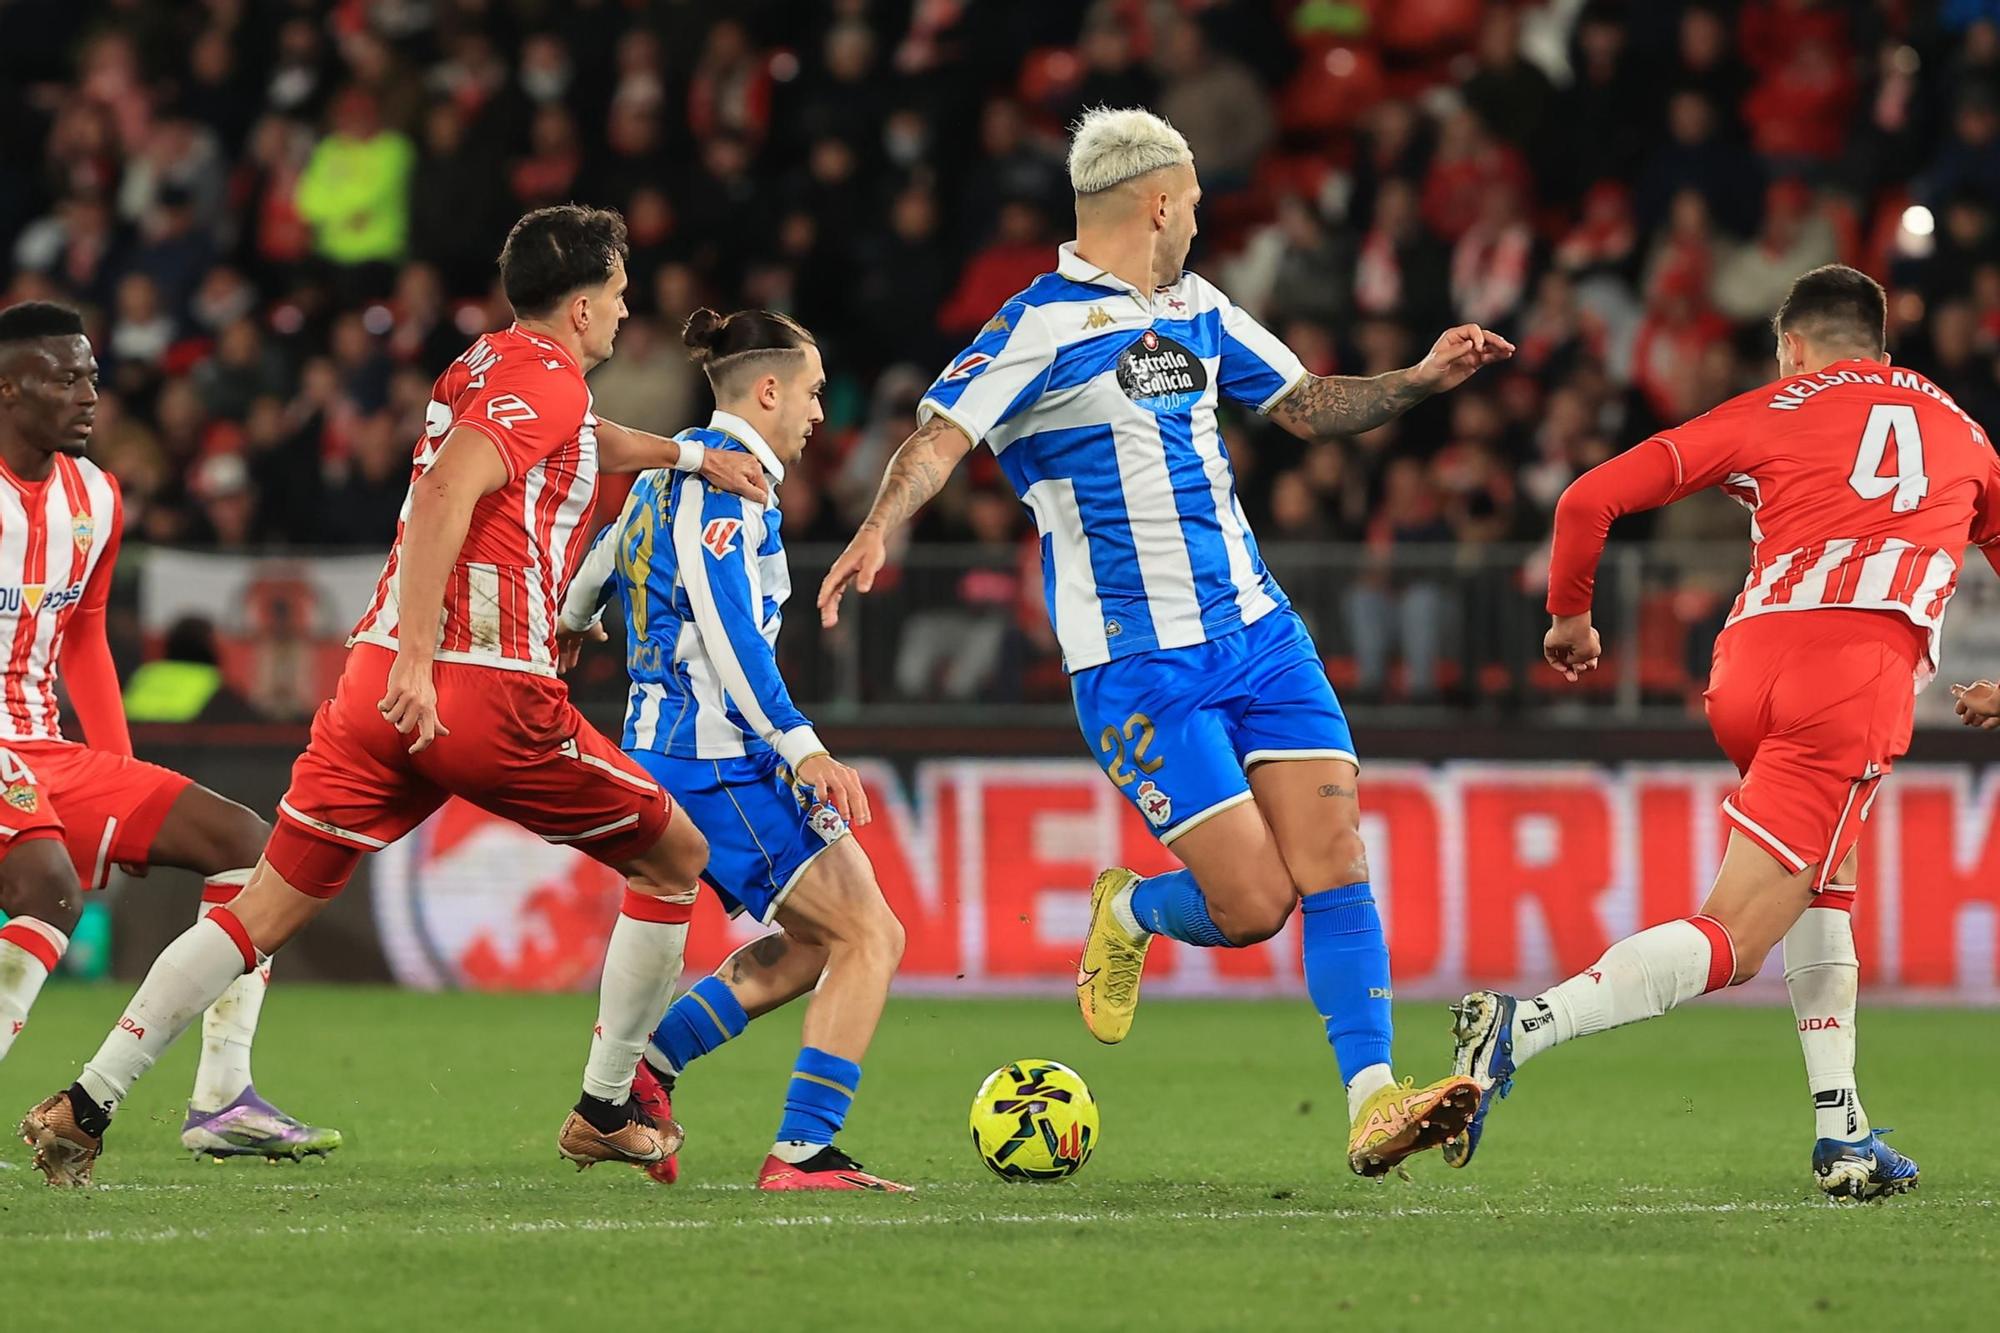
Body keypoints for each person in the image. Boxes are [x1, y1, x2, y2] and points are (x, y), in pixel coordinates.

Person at [817, 107, 1513, 1179]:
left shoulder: (1197, 308)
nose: (1196, 221)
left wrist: (1418, 381)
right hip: (1138, 665)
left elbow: (1303, 404)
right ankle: (1131, 905)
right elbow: (939, 433)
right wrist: (875, 527)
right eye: (1190, 204)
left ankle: (1373, 1099)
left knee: (1334, 862)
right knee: (1252, 906)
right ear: (1154, 202)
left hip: (1259, 633)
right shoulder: (1036, 325)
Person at [18, 206, 767, 1188]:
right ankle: (604, 1104)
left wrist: (687, 454)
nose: (627, 313)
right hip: (478, 686)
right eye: (621, 295)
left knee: (262, 909)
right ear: (582, 305)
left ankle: (86, 1100)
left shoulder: (487, 365)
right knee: (675, 860)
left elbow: (582, 441)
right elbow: (453, 490)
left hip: (370, 690)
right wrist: (426, 657)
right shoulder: (543, 382)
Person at [1449, 264, 2000, 1201]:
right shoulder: (1968, 435)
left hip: (1746, 667)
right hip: (1855, 675)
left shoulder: (1773, 407)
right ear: (1882, 345)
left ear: (1792, 347)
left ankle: (1845, 1133)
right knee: (1737, 937)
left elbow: (1588, 499)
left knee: (1827, 886)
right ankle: (1522, 1024)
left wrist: (1571, 618)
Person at [560, 307, 907, 1192]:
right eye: (815, 390)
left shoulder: (672, 466)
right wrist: (802, 746)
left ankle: (646, 1072)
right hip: (720, 754)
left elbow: (597, 565)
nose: (821, 411)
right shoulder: (731, 484)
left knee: (810, 942)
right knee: (872, 934)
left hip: (667, 748)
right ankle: (804, 1150)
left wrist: (570, 627)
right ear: (767, 389)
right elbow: (724, 632)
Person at [0, 301, 338, 1162]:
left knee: (254, 851)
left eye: (92, 377)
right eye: (64, 378)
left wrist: (114, 772)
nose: (88, 395)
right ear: (8, 389)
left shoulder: (96, 498)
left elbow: (85, 630)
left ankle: (222, 1097)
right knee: (46, 886)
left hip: (43, 746)